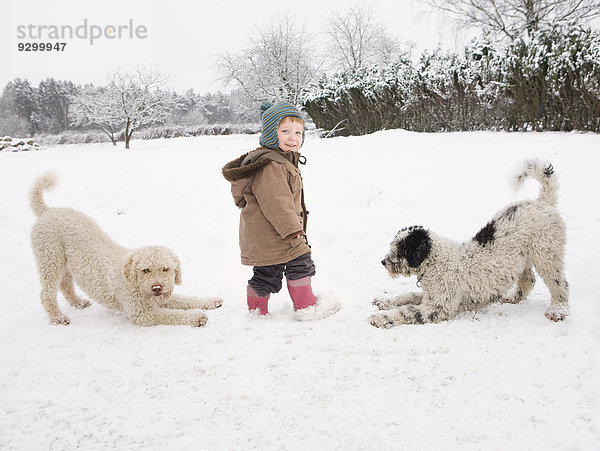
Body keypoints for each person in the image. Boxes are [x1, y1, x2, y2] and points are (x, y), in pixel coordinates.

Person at [222, 101, 340, 320]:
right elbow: (277, 202)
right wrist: (293, 232)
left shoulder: (280, 161)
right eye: (285, 131)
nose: (293, 137)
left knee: (267, 273)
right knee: (301, 263)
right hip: (282, 233)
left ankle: (257, 312)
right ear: (270, 133)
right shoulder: (271, 166)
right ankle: (306, 307)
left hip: (266, 234)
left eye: (298, 132)